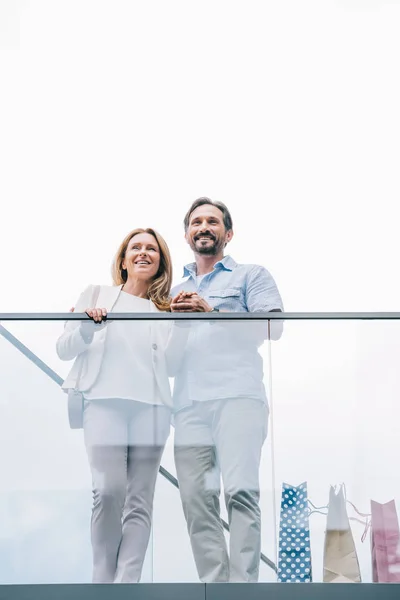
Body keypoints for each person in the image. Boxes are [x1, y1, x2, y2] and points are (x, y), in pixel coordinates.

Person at [56, 227, 187, 584]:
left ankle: (126, 583)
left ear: (161, 262)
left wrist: (185, 324)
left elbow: (173, 365)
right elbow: (64, 348)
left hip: (153, 407)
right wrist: (87, 327)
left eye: (152, 249)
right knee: (108, 491)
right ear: (124, 259)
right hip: (104, 401)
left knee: (140, 501)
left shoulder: (166, 309)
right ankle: (102, 581)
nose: (144, 252)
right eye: (136, 247)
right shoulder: (96, 294)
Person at [170, 197, 283, 583]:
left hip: (238, 398)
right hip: (187, 406)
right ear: (187, 235)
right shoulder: (172, 289)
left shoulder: (250, 276)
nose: (204, 226)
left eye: (212, 221)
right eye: (196, 222)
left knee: (240, 492)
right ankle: (215, 589)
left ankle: (243, 588)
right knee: (196, 502)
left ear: (227, 233)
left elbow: (271, 328)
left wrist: (211, 313)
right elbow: (165, 360)